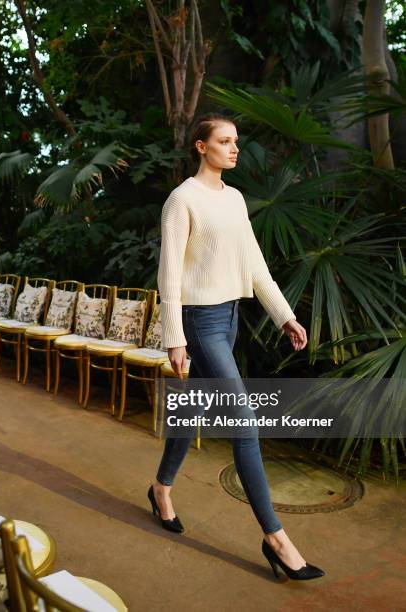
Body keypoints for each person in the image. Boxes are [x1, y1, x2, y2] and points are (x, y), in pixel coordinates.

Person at [148, 113, 324, 581]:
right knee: (244, 422)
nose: (234, 148)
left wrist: (284, 315)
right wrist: (174, 338)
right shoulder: (181, 200)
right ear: (201, 147)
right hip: (198, 323)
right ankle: (277, 540)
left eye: (236, 142)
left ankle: (161, 489)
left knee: (195, 408)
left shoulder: (237, 200)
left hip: (228, 320)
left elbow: (256, 267)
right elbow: (168, 274)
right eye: (224, 141)